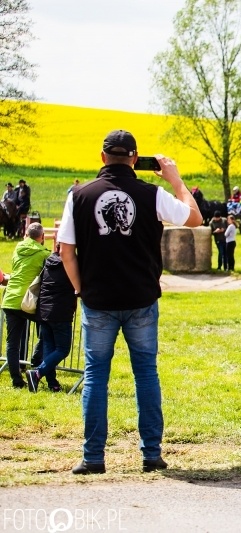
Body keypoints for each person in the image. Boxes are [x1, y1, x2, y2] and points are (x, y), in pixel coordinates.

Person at [57, 129, 202, 475]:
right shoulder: (152, 194)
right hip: (140, 299)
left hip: (98, 300)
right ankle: (151, 454)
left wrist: (80, 289)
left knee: (95, 377)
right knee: (145, 375)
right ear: (135, 159)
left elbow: (65, 251)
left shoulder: (79, 195)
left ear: (102, 157)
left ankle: (93, 457)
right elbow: (194, 218)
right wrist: (176, 179)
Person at [1, 223, 49, 389]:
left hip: (10, 298)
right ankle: (37, 362)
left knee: (12, 343)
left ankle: (16, 379)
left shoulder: (17, 249)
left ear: (26, 235)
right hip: (30, 301)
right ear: (42, 237)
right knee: (47, 331)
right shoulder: (44, 254)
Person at [25, 245, 78, 393]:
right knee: (62, 349)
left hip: (44, 312)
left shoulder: (49, 260)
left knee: (49, 348)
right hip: (60, 313)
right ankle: (37, 373)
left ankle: (52, 383)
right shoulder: (71, 263)